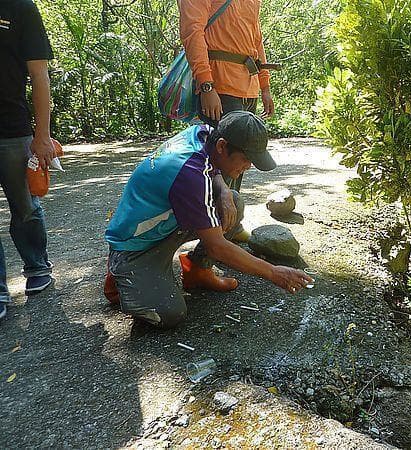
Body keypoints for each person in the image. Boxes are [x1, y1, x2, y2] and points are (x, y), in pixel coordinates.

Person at [103, 111, 311, 329]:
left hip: (166, 223)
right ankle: (121, 277)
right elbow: (217, 247)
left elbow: (211, 169)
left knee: (233, 202)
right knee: (168, 314)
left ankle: (197, 271)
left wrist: (222, 190)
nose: (248, 166)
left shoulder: (204, 133)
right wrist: (273, 272)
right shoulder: (190, 175)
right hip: (136, 245)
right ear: (222, 146)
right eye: (246, 159)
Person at [178, 0, 275, 213]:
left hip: (248, 87)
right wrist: (206, 85)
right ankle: (213, 235)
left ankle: (229, 226)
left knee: (239, 162)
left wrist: (264, 85)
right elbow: (192, 30)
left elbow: (256, 38)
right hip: (219, 86)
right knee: (218, 164)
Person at [0, 0, 55, 320]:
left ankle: (37, 265)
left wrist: (42, 135)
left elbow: (39, 73)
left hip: (13, 129)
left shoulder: (20, 7)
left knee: (26, 207)